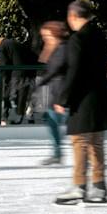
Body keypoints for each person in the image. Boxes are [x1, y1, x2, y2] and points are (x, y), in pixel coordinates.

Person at [53, 0, 107, 206]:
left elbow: (74, 72)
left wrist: (63, 98)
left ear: (73, 16)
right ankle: (99, 186)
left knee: (80, 141)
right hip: (102, 97)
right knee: (96, 142)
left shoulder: (78, 39)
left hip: (83, 99)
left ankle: (79, 186)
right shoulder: (100, 37)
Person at [34, 21, 68, 166]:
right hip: (55, 90)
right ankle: (57, 153)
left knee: (64, 122)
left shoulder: (63, 48)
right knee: (51, 121)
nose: (44, 38)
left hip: (63, 90)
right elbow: (45, 63)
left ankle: (60, 153)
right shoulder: (54, 48)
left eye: (46, 35)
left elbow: (55, 69)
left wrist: (41, 82)